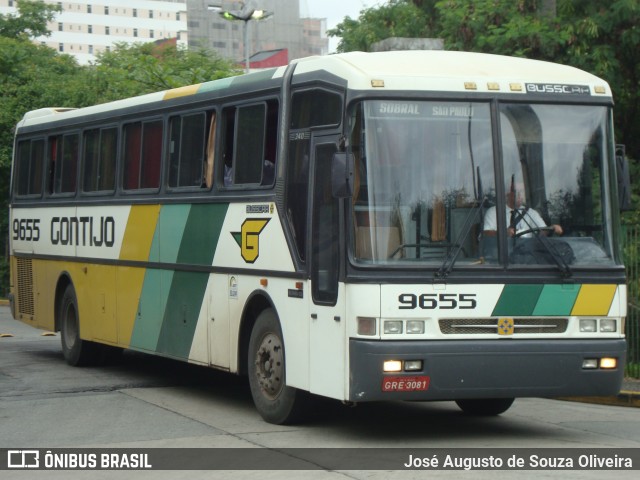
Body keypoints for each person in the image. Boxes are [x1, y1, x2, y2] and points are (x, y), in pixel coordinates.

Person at [483, 180, 563, 238]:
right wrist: (503, 233)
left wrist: (552, 228)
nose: (520, 195)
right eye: (517, 191)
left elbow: (543, 231)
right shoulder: (494, 212)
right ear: (507, 193)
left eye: (522, 191)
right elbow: (485, 234)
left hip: (525, 256)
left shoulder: (531, 213)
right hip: (501, 257)